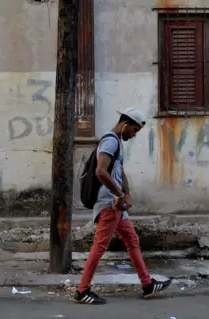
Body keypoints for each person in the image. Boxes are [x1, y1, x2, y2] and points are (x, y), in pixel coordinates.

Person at [74, 107, 172, 305]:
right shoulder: (110, 141)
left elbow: (120, 171)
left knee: (132, 240)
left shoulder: (117, 142)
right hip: (110, 204)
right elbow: (101, 172)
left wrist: (127, 194)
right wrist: (119, 194)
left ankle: (147, 284)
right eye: (134, 130)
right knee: (100, 246)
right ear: (125, 124)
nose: (134, 135)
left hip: (117, 203)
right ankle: (82, 290)